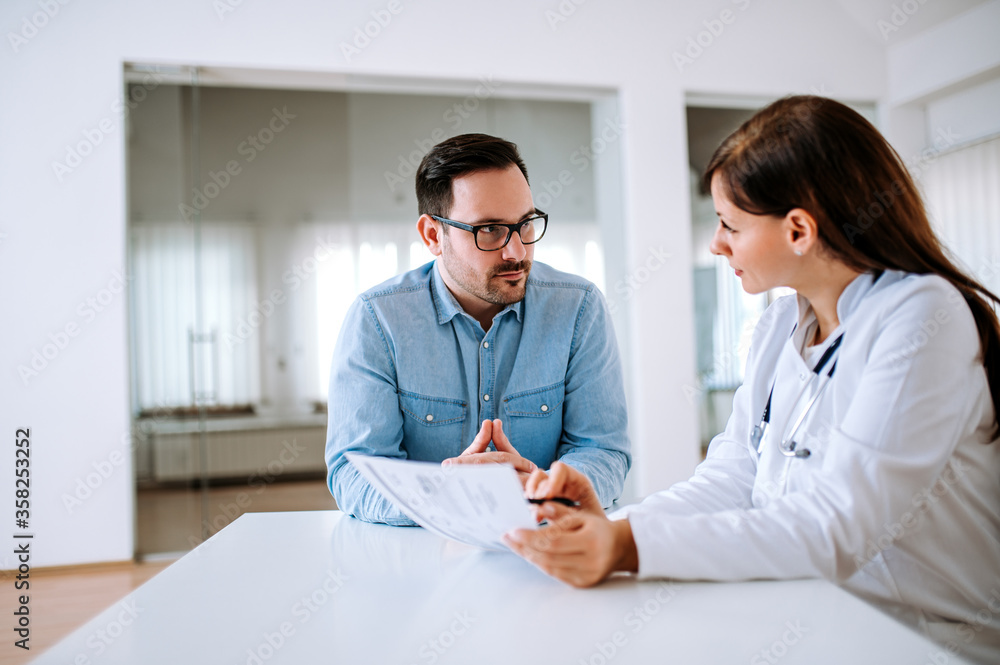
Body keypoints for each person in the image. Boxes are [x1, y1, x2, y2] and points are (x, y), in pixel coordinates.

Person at [504, 96, 1000, 664]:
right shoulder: (780, 322)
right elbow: (734, 477)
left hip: (930, 640)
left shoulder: (920, 317)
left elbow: (834, 528)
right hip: (813, 615)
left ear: (798, 230)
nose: (716, 243)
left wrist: (625, 546)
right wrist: (611, 525)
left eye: (729, 224)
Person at [325, 133, 631, 526]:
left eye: (525, 224)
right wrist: (448, 496)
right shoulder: (376, 320)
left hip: (547, 557)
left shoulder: (579, 308)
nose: (517, 251)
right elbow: (355, 473)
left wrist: (543, 489)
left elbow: (604, 451)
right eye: (489, 230)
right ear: (433, 235)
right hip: (420, 564)